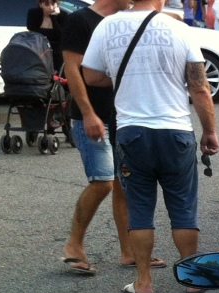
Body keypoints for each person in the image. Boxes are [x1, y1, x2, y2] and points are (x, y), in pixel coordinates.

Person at [82, 0, 219, 293]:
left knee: (140, 209)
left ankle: (143, 281)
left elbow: (90, 76)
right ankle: (192, 278)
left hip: (132, 134)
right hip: (176, 132)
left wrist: (122, 77)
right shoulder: (179, 29)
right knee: (183, 208)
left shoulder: (107, 26)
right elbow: (199, 86)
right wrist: (209, 131)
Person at [59, 0, 144, 277]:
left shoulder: (119, 22)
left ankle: (129, 252)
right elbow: (73, 70)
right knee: (103, 181)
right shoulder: (79, 21)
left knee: (122, 184)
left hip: (119, 115)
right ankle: (73, 246)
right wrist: (87, 113)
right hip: (91, 117)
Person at [27, 0, 66, 69]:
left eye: (53, 4)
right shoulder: (34, 13)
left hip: (56, 53)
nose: (51, 8)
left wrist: (53, 17)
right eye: (47, 4)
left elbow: (61, 35)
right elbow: (32, 30)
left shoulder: (63, 15)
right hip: (38, 51)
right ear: (40, 4)